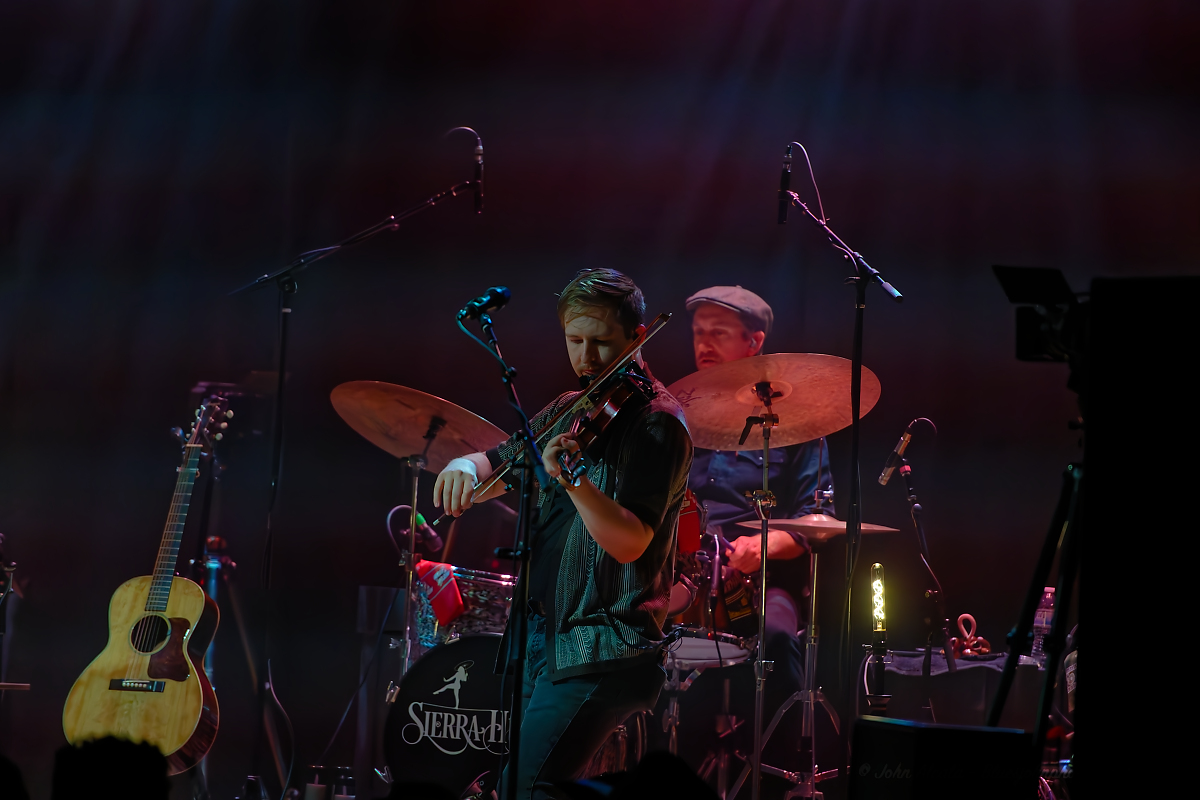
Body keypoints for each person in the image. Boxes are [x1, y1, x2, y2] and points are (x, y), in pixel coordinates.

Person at [433, 268, 693, 800]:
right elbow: (499, 463)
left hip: (604, 642)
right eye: (576, 341)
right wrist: (464, 464)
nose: (588, 359)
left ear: (637, 338)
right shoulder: (569, 407)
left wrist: (572, 480)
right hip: (542, 639)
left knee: (527, 788)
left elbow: (632, 542)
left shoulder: (657, 422)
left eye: (602, 343)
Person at [681, 285, 835, 790]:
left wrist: (760, 547)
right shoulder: (679, 415)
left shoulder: (799, 421)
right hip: (686, 573)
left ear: (754, 343)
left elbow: (817, 522)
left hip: (762, 580)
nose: (704, 343)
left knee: (773, 636)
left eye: (719, 333)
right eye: (699, 332)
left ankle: (772, 773)